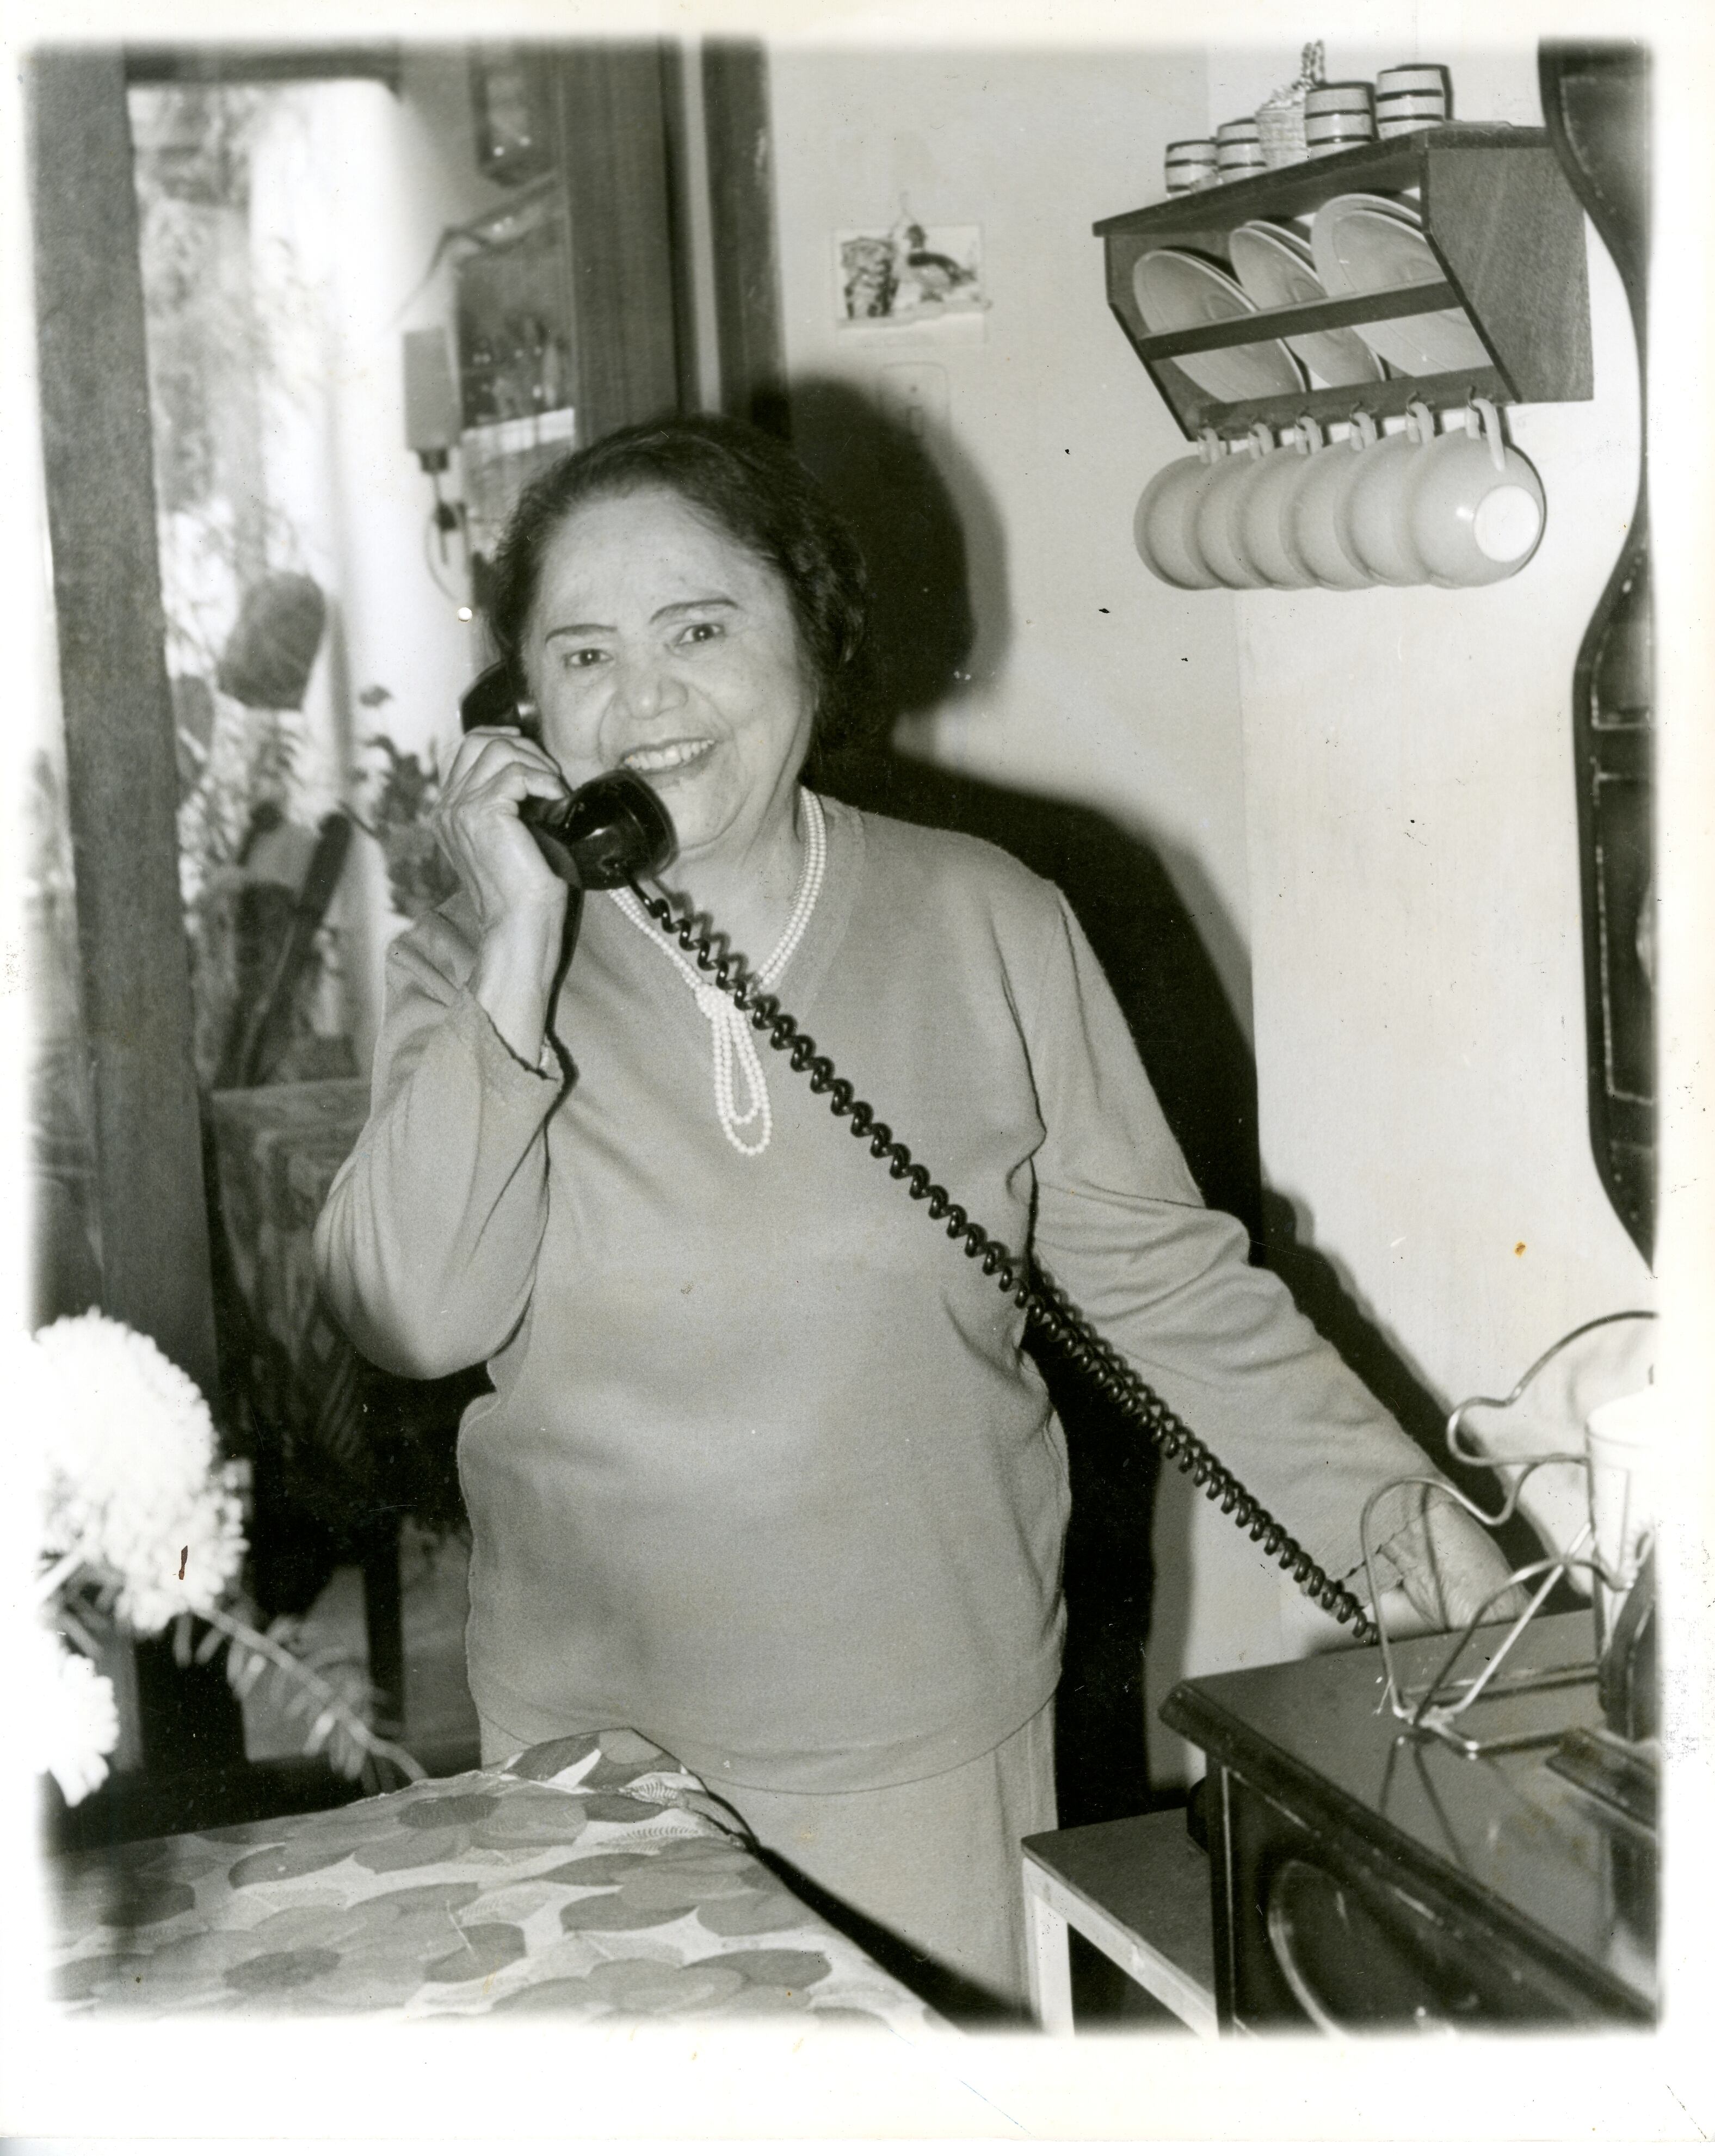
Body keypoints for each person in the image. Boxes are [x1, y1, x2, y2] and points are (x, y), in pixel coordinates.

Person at [313, 414, 1520, 2015]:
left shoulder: (993, 920)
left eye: (699, 629)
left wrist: (1401, 1524)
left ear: (812, 636)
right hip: (597, 1775)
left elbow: (1167, 1286)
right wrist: (519, 947)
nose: (645, 698)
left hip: (934, 1757)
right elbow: (410, 1314)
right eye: (585, 653)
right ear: (522, 709)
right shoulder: (463, 979)